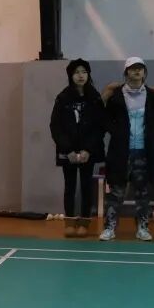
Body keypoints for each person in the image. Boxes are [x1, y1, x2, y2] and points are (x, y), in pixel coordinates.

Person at [99, 57, 154, 242]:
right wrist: (117, 133)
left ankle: (143, 227)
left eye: (140, 68)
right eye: (132, 68)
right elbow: (104, 118)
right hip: (120, 152)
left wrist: (150, 139)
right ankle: (109, 227)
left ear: (144, 73)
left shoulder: (151, 96)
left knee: (143, 193)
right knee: (115, 193)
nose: (136, 71)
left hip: (143, 152)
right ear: (126, 72)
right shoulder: (116, 95)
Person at [50, 58, 105, 238]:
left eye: (84, 72)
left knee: (86, 187)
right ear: (70, 76)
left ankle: (84, 223)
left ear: (88, 75)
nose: (80, 75)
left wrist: (88, 149)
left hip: (88, 152)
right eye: (76, 72)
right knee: (70, 187)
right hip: (69, 153)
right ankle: (70, 222)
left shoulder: (95, 97)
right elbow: (56, 126)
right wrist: (68, 151)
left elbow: (99, 126)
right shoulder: (63, 98)